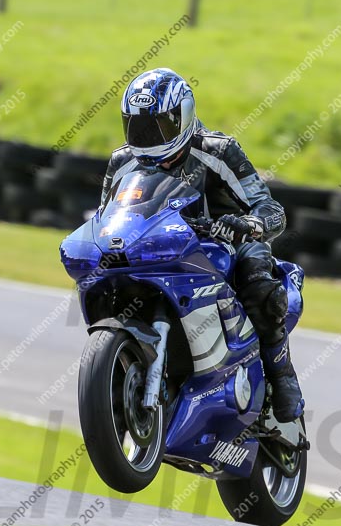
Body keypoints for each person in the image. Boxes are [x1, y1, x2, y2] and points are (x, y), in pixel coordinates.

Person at [100, 68, 304, 423]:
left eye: (159, 126)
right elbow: (106, 217)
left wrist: (248, 224)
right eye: (139, 127)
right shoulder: (121, 162)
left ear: (184, 116)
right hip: (155, 249)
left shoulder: (218, 151)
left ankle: (281, 375)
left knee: (256, 277)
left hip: (221, 244)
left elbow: (270, 209)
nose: (148, 137)